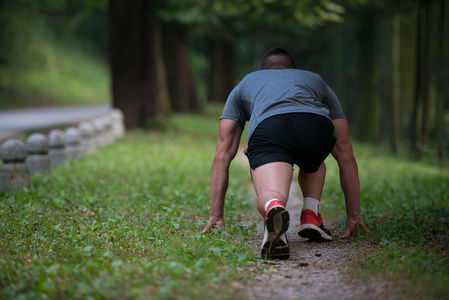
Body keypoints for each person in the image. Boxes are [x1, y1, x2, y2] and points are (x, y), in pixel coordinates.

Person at [201, 48, 366, 259]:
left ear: (263, 70)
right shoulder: (314, 80)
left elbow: (222, 156)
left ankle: (274, 207)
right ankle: (310, 214)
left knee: (272, 192)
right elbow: (345, 154)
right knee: (314, 160)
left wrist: (216, 215)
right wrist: (354, 214)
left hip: (272, 128)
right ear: (293, 70)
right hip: (315, 125)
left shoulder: (246, 82)